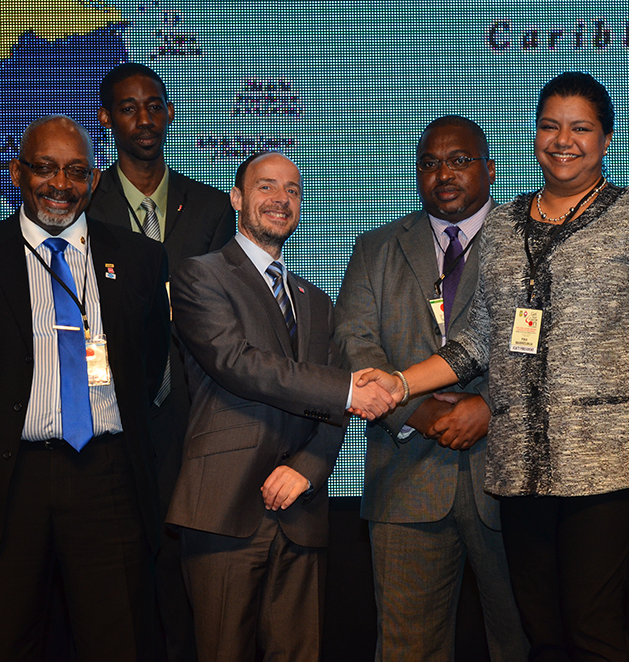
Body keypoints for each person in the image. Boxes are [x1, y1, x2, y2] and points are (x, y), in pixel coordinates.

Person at [355, 72, 629, 661]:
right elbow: (478, 340)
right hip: (520, 469)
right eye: (550, 126)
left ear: (606, 139)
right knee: (541, 635)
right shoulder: (503, 225)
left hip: (610, 466)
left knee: (594, 631)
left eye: (580, 128)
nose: (563, 140)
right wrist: (400, 382)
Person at [166, 150, 394, 662]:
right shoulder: (199, 275)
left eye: (292, 190)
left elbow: (334, 406)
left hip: (302, 512)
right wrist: (347, 390)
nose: (281, 199)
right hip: (223, 506)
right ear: (237, 198)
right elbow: (237, 363)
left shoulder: (316, 301)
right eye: (266, 186)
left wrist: (308, 469)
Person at [0, 114, 170, 661]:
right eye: (45, 168)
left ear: (95, 179)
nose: (60, 184)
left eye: (77, 171)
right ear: (17, 173)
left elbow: (149, 364)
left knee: (119, 643)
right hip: (9, 483)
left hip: (107, 478)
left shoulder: (140, 259)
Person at [335, 115, 527, 662]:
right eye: (429, 163)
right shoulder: (376, 247)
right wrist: (412, 410)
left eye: (460, 160)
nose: (444, 173)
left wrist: (489, 408)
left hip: (509, 478)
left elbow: (547, 346)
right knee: (406, 649)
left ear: (491, 169)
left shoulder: (526, 242)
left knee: (523, 642)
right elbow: (353, 341)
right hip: (405, 479)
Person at [87, 61, 236, 662]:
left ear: (170, 113)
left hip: (191, 415)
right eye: (128, 107)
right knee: (118, 575)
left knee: (184, 580)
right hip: (109, 410)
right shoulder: (85, 202)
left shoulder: (210, 208)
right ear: (106, 119)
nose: (144, 118)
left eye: (154, 105)